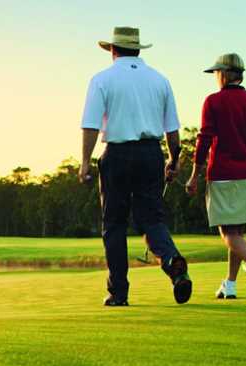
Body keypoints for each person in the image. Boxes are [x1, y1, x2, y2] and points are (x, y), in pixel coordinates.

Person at [80, 26, 191, 307]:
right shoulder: (160, 80)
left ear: (113, 50)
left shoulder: (102, 79)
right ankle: (170, 260)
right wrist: (173, 160)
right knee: (151, 219)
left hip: (117, 155)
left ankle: (119, 293)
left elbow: (91, 124)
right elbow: (172, 130)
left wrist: (84, 162)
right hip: (151, 154)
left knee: (115, 224)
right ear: (138, 49)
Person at [186, 53, 246, 301]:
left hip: (223, 174)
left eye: (216, 73)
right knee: (238, 231)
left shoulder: (213, 101)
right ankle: (231, 285)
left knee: (228, 233)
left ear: (223, 73)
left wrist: (194, 175)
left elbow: (204, 139)